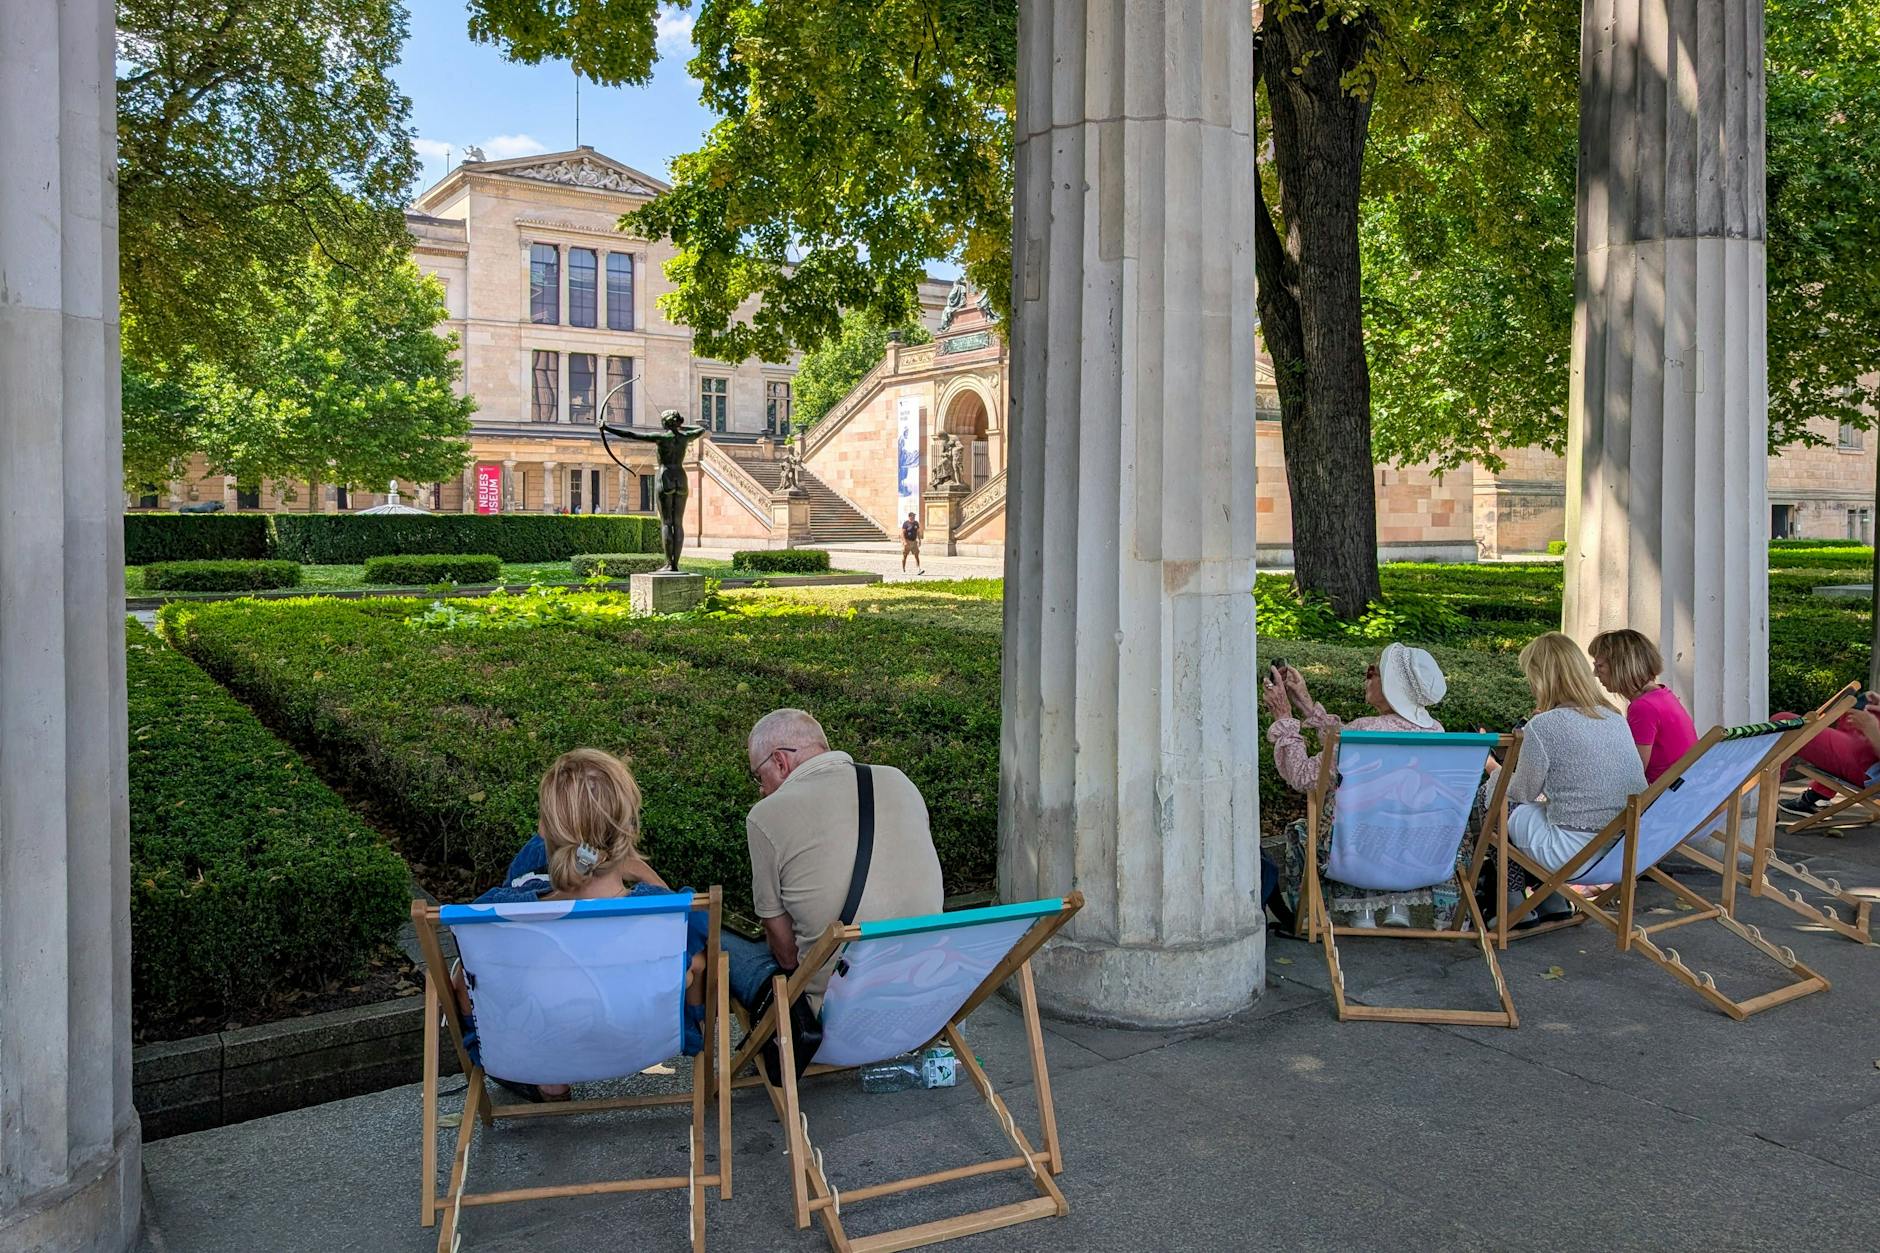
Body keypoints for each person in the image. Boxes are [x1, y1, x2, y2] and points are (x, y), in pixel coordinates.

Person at [455, 749, 708, 1102]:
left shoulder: (495, 914)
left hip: (533, 1051)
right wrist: (641, 874)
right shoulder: (671, 912)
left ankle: (551, 1083)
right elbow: (694, 962)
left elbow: (465, 984)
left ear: (544, 830)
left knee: (463, 972)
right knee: (696, 963)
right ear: (628, 831)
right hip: (642, 1043)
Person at [721, 709, 943, 1021]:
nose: (760, 788)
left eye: (759, 776)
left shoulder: (767, 815)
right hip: (924, 991)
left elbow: (785, 955)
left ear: (780, 762)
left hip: (834, 1011)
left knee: (718, 937)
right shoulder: (899, 780)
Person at [1264, 642, 1456, 929]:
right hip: (1421, 850)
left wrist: (1284, 717)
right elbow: (1338, 745)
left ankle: (1345, 914)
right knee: (1385, 820)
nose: (1366, 676)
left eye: (1372, 671)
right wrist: (1304, 701)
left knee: (1313, 828)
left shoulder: (1364, 731)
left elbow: (1302, 775)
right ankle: (1394, 904)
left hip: (1354, 850)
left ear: (1392, 684)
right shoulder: (1436, 732)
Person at [1485, 632, 1645, 921]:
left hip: (1573, 852)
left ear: (1542, 677)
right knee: (1536, 807)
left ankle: (1512, 906)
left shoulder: (1545, 725)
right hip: (1622, 851)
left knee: (1495, 803)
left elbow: (1520, 792)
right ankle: (1552, 901)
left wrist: (1493, 772)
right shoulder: (1613, 718)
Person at [1589, 628, 1698, 783]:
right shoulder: (1661, 695)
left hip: (1667, 800)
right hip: (1689, 795)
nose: (1595, 673)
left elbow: (1632, 774)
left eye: (1599, 666)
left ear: (1621, 665)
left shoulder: (1644, 707)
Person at [1772, 691, 1880, 819]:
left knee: (1783, 723)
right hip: (1868, 756)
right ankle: (1817, 796)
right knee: (1859, 707)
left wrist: (1872, 730)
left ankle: (1763, 810)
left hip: (1870, 767)